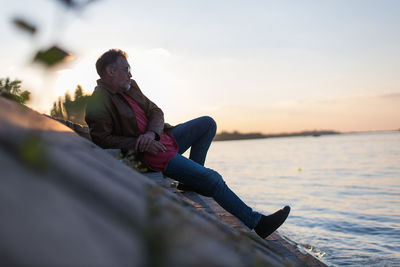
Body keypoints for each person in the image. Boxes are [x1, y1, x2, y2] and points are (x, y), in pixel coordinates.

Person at [85, 49, 290, 239]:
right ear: (110, 71)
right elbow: (101, 138)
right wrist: (141, 142)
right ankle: (257, 222)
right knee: (213, 178)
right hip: (151, 155)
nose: (130, 74)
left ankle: (191, 182)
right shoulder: (99, 100)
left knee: (208, 123)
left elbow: (155, 112)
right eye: (126, 69)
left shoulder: (132, 87)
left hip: (163, 137)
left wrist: (151, 133)